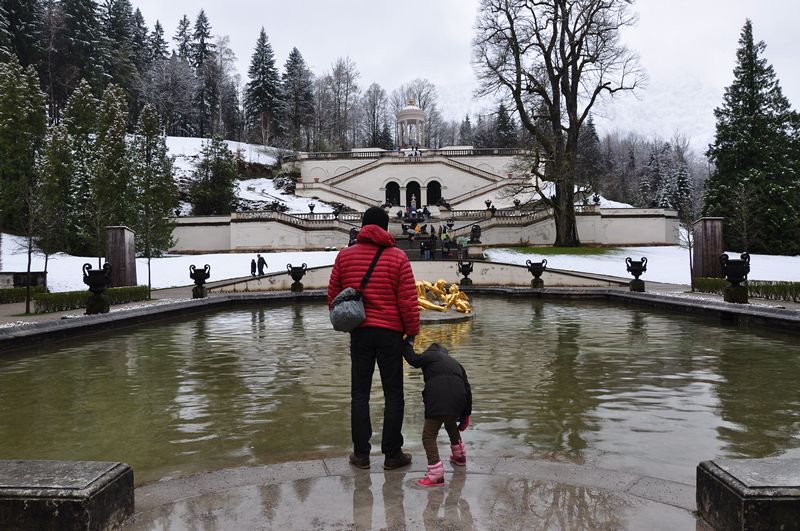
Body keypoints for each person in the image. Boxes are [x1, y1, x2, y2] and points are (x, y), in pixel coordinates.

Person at [328, 206, 420, 470]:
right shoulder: (398, 257)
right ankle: (392, 455)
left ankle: (361, 454)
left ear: (363, 226)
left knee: (360, 394)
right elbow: (408, 300)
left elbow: (334, 295)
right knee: (394, 395)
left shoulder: (345, 257)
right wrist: (411, 331)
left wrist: (348, 321)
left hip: (360, 333)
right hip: (390, 334)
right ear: (385, 226)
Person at [401, 342, 472, 486]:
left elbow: (413, 360)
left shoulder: (430, 356)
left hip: (439, 398)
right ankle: (459, 456)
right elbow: (467, 388)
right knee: (451, 423)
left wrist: (406, 344)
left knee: (428, 436)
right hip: (459, 400)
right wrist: (466, 414)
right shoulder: (455, 363)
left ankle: (436, 474)